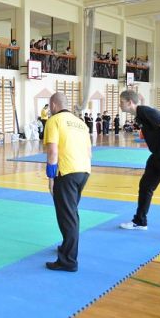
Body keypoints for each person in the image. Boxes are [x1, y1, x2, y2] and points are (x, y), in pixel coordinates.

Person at [43, 92, 91, 272]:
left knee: (68, 217)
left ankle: (68, 261)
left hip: (67, 172)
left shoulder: (54, 121)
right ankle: (66, 248)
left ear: (53, 105)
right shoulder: (80, 123)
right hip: (83, 171)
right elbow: (89, 152)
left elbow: (52, 152)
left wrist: (51, 177)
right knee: (70, 213)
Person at [119, 90, 160, 230]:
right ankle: (140, 221)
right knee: (145, 187)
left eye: (121, 102)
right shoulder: (139, 116)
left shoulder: (145, 111)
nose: (120, 105)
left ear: (129, 102)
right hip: (156, 157)